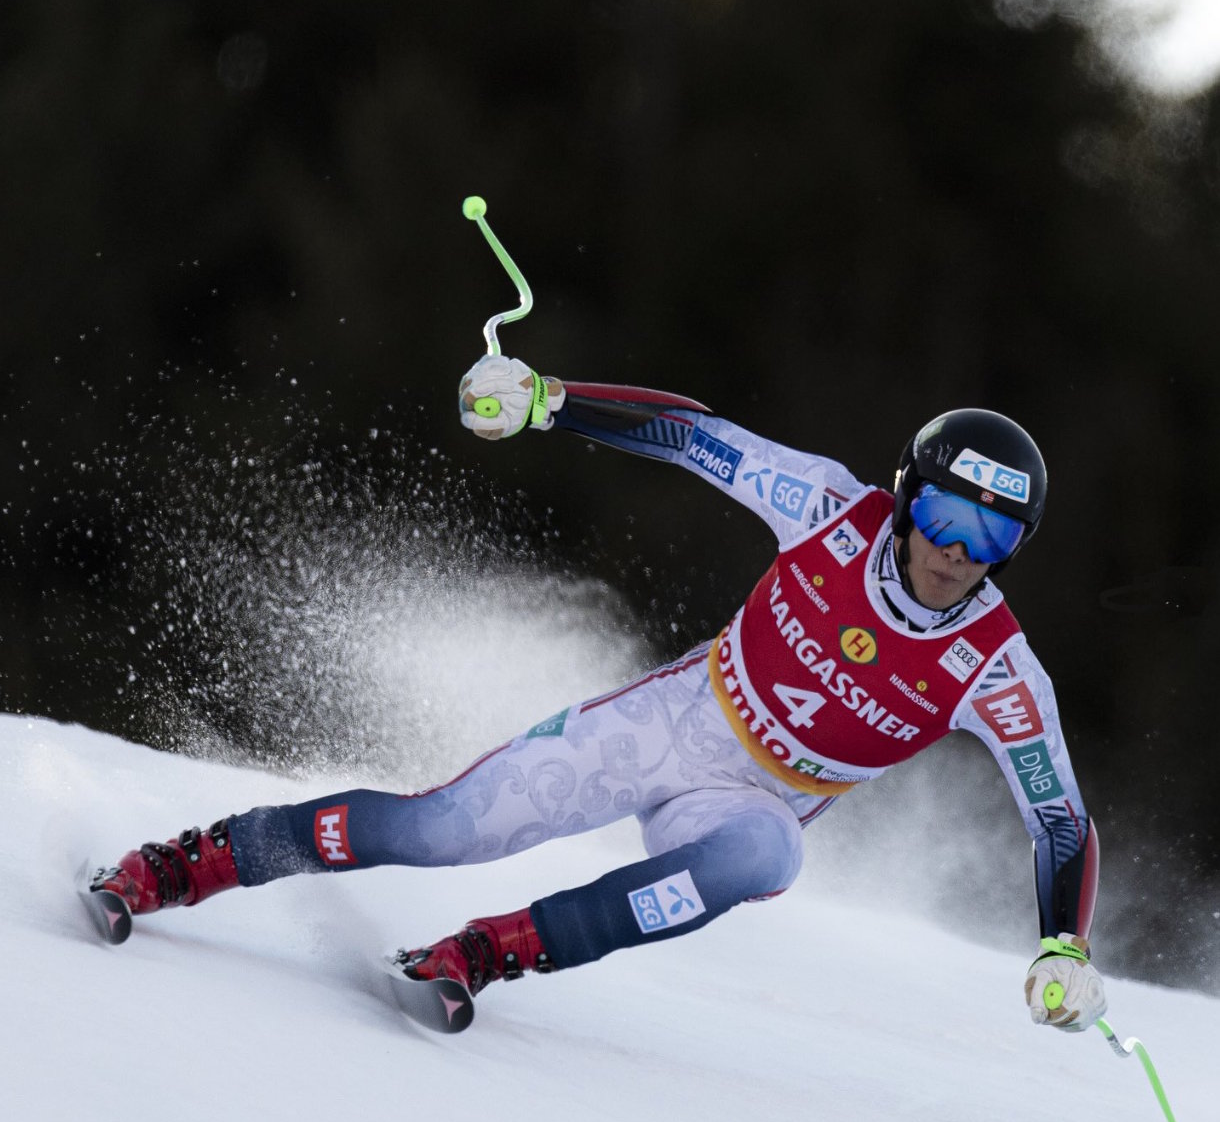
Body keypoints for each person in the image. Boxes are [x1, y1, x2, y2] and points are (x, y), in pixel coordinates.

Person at [92, 354, 1105, 1033]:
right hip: (668, 727)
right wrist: (546, 399)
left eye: (989, 539)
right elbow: (688, 436)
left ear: (1013, 552)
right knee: (441, 831)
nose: (950, 552)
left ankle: (490, 952)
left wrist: (1063, 943)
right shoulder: (826, 507)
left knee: (768, 853)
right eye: (939, 512)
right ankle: (188, 864)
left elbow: (1057, 823)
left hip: (745, 804)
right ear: (902, 493)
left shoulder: (998, 670)